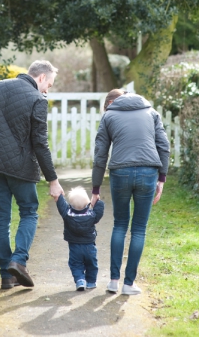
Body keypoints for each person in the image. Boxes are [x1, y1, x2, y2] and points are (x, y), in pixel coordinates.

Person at [0, 60, 64, 290]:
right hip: (21, 166)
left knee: (0, 219)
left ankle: (6, 275)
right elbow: (40, 143)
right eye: (49, 85)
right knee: (29, 212)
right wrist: (53, 179)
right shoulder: (37, 100)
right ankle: (18, 261)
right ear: (41, 77)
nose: (47, 90)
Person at [91, 89, 170, 295]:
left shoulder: (109, 115)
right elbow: (164, 146)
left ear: (111, 102)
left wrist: (96, 188)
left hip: (120, 172)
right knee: (139, 229)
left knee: (119, 225)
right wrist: (161, 179)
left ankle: (113, 282)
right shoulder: (151, 113)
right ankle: (129, 284)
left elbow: (100, 154)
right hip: (148, 172)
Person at [56, 186, 105, 291]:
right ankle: (91, 282)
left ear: (70, 205)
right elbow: (99, 211)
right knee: (92, 263)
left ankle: (80, 280)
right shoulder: (92, 215)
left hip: (74, 247)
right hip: (89, 246)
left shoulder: (67, 215)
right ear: (87, 204)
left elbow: (61, 206)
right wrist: (97, 202)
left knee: (75, 264)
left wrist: (59, 196)